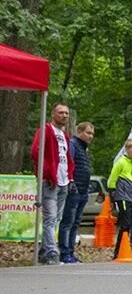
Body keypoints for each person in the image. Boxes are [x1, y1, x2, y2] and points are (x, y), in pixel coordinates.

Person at [30, 102, 74, 265]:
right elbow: (35, 151)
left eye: (66, 113)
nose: (64, 115)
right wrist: (46, 171)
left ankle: (44, 250)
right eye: (61, 112)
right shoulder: (46, 130)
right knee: (50, 218)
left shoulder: (64, 135)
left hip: (63, 180)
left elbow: (67, 156)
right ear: (53, 114)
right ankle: (51, 253)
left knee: (56, 218)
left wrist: (70, 175)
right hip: (49, 181)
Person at [58, 121, 94, 263]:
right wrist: (71, 183)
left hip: (83, 190)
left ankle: (71, 252)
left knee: (76, 222)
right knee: (68, 221)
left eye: (92, 134)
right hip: (75, 189)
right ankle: (64, 252)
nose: (90, 136)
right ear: (79, 132)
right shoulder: (73, 145)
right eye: (88, 133)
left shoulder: (84, 149)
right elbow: (69, 164)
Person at [108, 139, 132, 259]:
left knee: (129, 223)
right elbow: (113, 177)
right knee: (125, 222)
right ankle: (118, 251)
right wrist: (112, 191)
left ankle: (124, 248)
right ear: (127, 149)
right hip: (122, 195)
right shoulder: (121, 162)